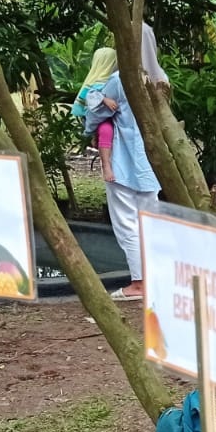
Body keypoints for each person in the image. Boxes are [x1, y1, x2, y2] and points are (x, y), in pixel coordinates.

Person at [85, 70, 158, 300]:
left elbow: (96, 112)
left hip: (123, 164)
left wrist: (90, 127)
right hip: (152, 165)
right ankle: (155, 278)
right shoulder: (158, 76)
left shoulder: (120, 78)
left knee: (128, 225)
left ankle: (138, 283)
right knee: (150, 224)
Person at [74, 47, 120, 182]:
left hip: (109, 117)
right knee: (106, 131)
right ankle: (106, 166)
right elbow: (90, 97)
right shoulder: (97, 83)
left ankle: (97, 139)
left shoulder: (113, 80)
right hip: (101, 120)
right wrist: (104, 99)